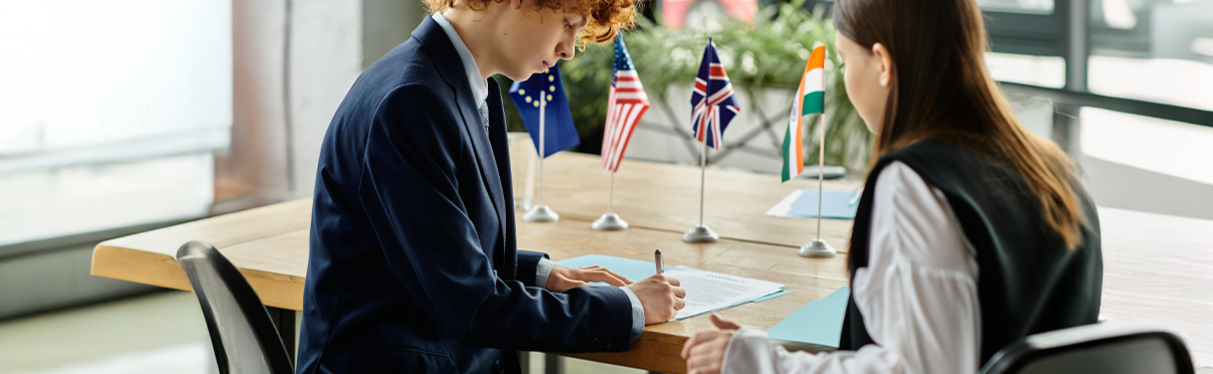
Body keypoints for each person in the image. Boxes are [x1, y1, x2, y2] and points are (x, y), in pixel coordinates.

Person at [680, 0, 1104, 371]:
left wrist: (759, 362)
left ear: (882, 63)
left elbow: (918, 371)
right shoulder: (1057, 173)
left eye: (844, 61)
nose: (846, 79)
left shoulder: (913, 184)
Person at [296, 0, 687, 372]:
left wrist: (541, 273)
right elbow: (474, 307)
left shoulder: (463, 86)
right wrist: (627, 307)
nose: (569, 50)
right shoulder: (411, 102)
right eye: (567, 24)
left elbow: (442, 249)